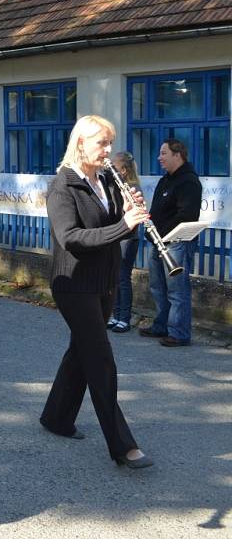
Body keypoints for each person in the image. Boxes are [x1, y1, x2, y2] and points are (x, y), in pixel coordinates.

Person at [40, 115, 153, 470]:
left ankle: (56, 418)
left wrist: (129, 210)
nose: (108, 151)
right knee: (100, 360)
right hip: (73, 284)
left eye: (109, 143)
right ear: (80, 145)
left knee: (81, 351)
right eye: (102, 143)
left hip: (103, 281)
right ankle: (123, 446)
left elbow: (112, 226)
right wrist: (124, 225)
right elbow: (70, 238)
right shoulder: (63, 186)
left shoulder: (104, 178)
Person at [139, 139, 202, 347]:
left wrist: (160, 233)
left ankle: (179, 333)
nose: (159, 158)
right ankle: (162, 325)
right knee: (158, 287)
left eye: (163, 153)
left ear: (178, 155)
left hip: (176, 243)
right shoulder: (166, 179)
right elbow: (157, 210)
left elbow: (187, 215)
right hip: (159, 242)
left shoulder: (189, 181)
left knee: (177, 290)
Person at [106, 151, 141, 334]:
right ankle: (115, 314)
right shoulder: (112, 185)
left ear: (124, 170)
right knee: (114, 278)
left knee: (122, 278)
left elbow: (131, 215)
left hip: (128, 238)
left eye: (114, 165)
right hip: (116, 236)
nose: (109, 168)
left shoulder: (132, 187)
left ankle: (124, 318)